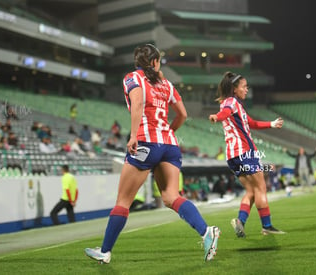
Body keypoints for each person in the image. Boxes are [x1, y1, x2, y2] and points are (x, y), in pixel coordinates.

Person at [85, 44, 220, 264]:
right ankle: (207, 232)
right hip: (170, 146)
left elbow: (138, 103)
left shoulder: (132, 78)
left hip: (146, 143)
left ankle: (105, 251)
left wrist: (134, 135)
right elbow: (183, 115)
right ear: (155, 62)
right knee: (171, 197)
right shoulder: (167, 84)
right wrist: (168, 132)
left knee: (123, 201)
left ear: (137, 62)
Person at [208, 72, 285, 238]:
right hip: (244, 152)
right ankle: (267, 226)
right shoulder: (231, 103)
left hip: (233, 156)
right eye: (244, 86)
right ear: (235, 89)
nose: (247, 89)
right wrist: (217, 117)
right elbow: (225, 113)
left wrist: (271, 123)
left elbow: (252, 123)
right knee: (261, 187)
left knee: (251, 190)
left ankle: (240, 221)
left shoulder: (235, 105)